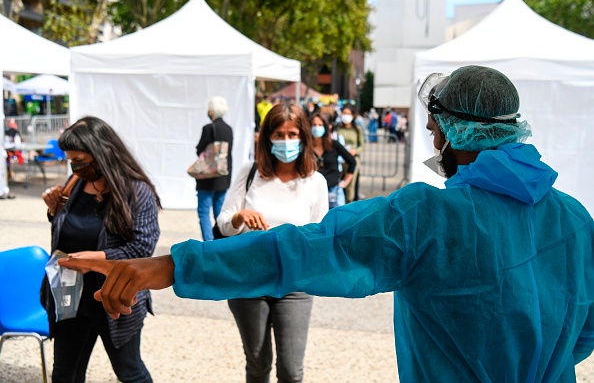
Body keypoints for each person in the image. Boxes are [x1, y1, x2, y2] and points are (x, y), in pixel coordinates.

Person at [60, 65, 594, 382]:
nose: (434, 143)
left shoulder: (429, 217)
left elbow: (302, 250)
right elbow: (583, 334)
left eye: (433, 131)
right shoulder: (575, 219)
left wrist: (166, 266)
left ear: (453, 134)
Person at [41, 116, 161, 383]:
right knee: (64, 372)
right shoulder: (75, 184)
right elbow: (69, 231)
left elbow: (142, 247)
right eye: (71, 160)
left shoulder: (136, 192)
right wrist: (54, 212)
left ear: (103, 153)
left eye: (80, 161)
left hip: (114, 294)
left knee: (129, 371)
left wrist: (97, 260)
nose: (74, 167)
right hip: (69, 293)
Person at [215, 103, 328, 382]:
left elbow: (322, 237)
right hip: (248, 281)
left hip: (294, 284)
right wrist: (240, 217)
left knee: (291, 370)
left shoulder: (316, 181)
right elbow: (223, 222)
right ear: (267, 137)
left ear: (304, 136)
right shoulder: (250, 172)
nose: (286, 141)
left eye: (292, 134)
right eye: (278, 134)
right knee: (258, 363)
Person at [194, 96, 233, 241]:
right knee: (219, 211)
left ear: (211, 112)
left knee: (204, 212)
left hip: (207, 177)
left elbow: (200, 150)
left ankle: (209, 243)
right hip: (223, 176)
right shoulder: (229, 129)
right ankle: (221, 240)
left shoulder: (208, 128)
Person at [310, 112, 356, 209]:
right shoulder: (305, 148)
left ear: (326, 127)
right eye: (314, 125)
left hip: (333, 191)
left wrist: (345, 182)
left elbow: (352, 162)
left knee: (339, 222)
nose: (316, 127)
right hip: (312, 191)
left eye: (320, 125)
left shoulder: (334, 145)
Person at [335, 104, 364, 203]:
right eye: (344, 113)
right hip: (339, 160)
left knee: (350, 187)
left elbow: (362, 146)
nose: (345, 116)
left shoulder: (357, 129)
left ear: (353, 115)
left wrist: (355, 151)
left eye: (348, 114)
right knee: (338, 184)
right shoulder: (337, 127)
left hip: (351, 160)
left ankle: (349, 205)